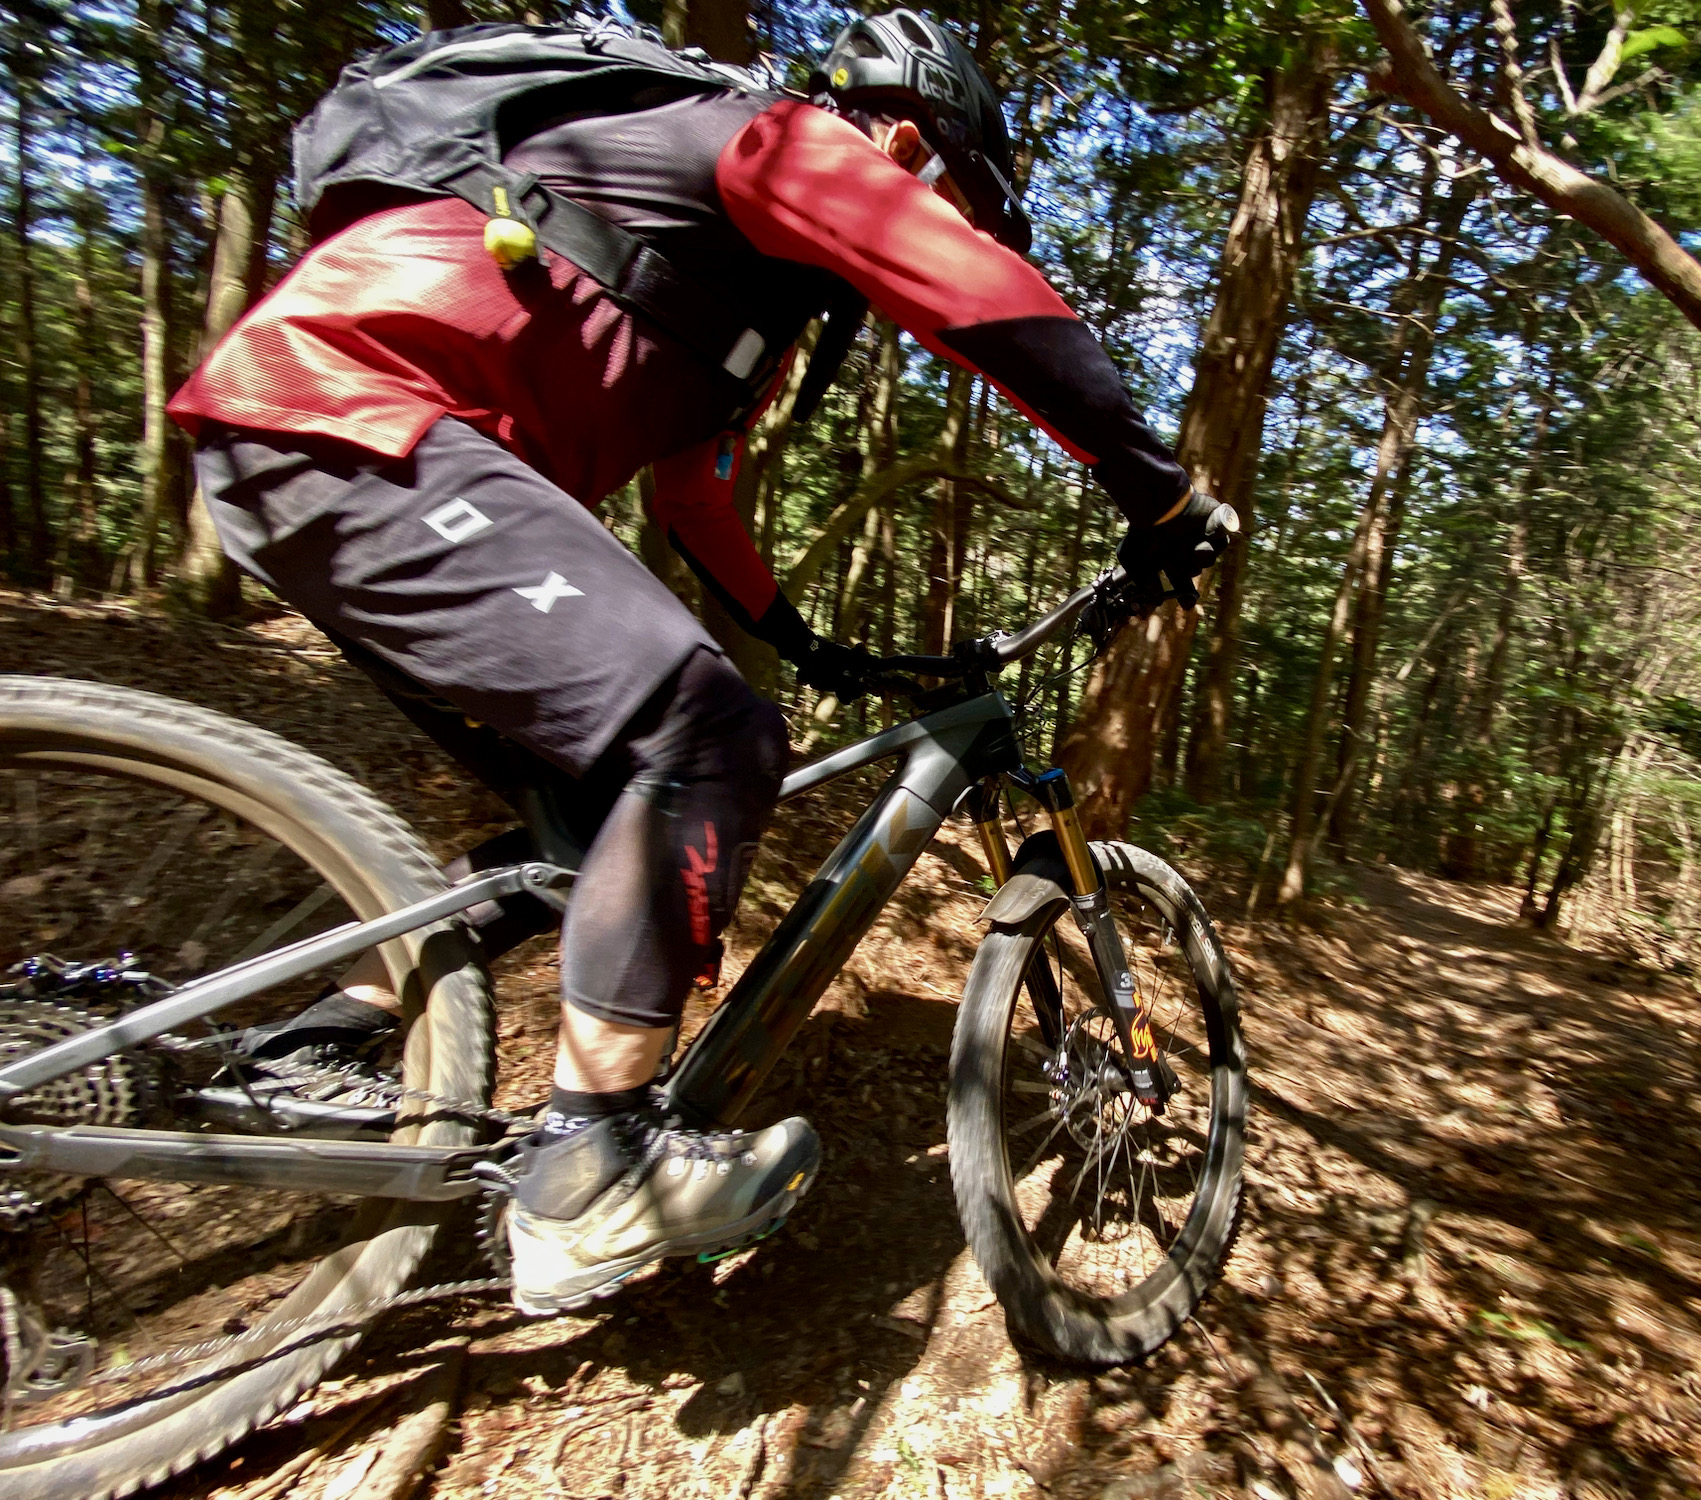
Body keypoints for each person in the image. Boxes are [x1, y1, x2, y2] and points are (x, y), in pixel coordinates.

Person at [170, 9, 1230, 1315]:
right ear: (908, 141)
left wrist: (806, 642)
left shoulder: (740, 306)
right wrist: (1159, 490)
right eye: (956, 196)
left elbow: (695, 501)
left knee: (590, 838)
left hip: (346, 450)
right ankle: (592, 1171)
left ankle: (318, 1040)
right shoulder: (773, 142)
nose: (948, 221)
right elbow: (980, 299)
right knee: (705, 729)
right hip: (358, 419)